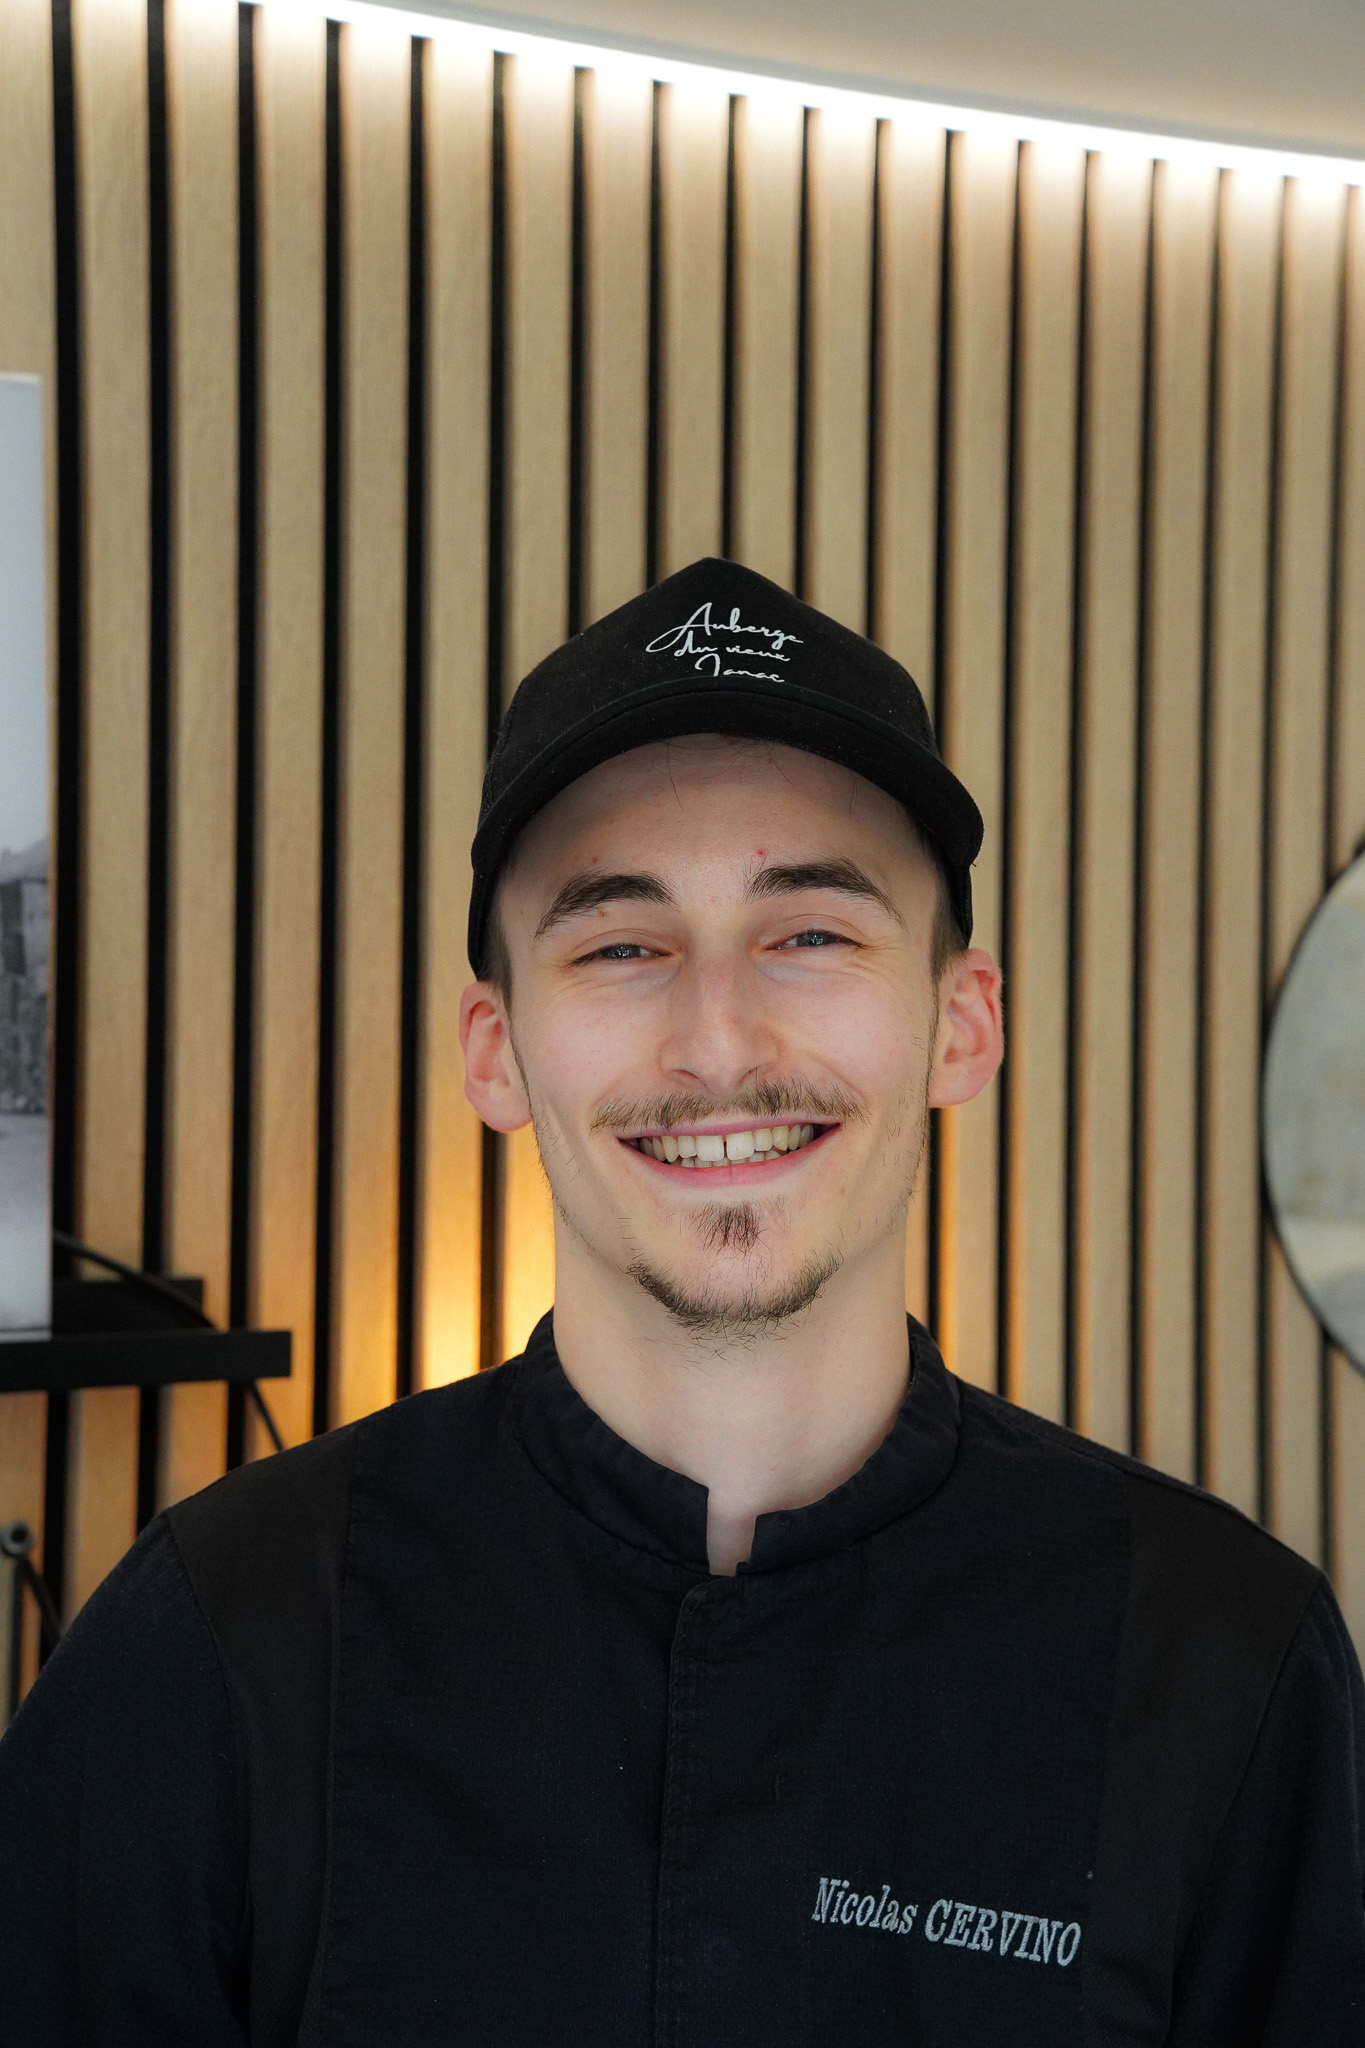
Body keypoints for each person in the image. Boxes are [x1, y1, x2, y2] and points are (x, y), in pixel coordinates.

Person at [1, 557, 1362, 2047]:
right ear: (496, 1051)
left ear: (959, 1024)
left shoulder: (1224, 1662)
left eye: (812, 933)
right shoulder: (215, 1642)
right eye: (621, 946)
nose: (719, 1041)